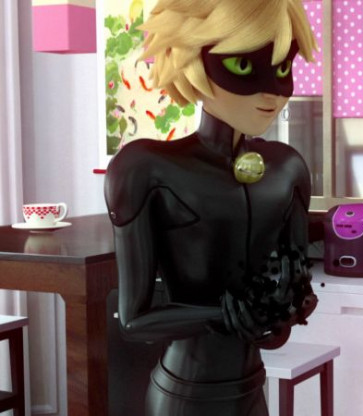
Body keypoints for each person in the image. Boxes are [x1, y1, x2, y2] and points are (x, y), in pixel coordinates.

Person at [104, 0, 318, 414]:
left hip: (251, 390)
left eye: (281, 69)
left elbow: (292, 296)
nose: (272, 92)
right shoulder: (145, 169)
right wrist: (223, 315)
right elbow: (133, 319)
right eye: (242, 65)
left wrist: (286, 312)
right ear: (190, 61)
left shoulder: (288, 169)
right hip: (183, 396)